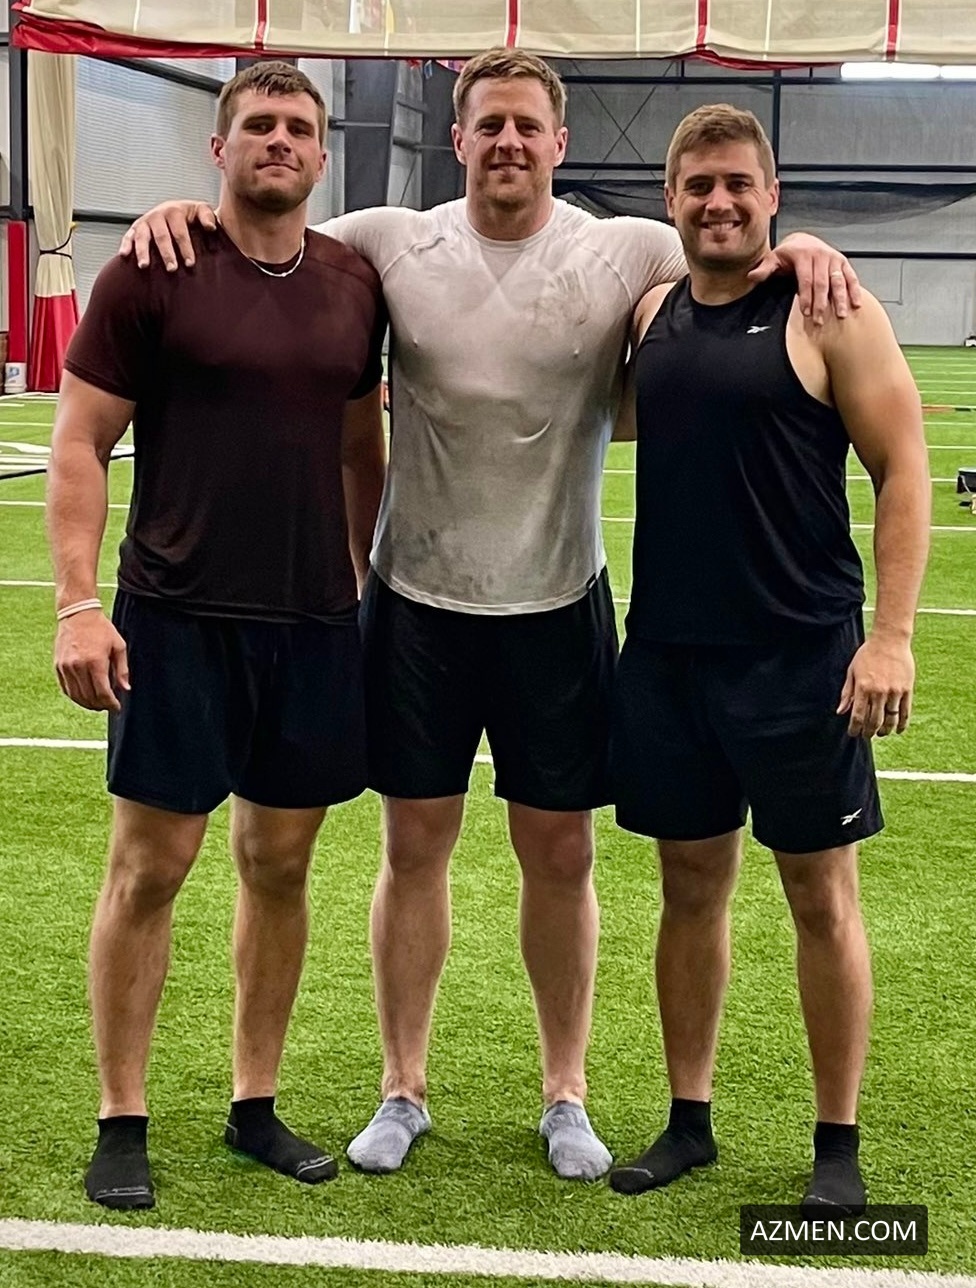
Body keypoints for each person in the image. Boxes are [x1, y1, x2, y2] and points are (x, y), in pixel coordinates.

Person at [121, 50, 860, 1182]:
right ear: (457, 139)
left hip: (558, 604)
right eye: (488, 124)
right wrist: (179, 210)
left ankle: (565, 1093)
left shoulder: (626, 249)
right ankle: (402, 1087)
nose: (507, 141)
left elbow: (736, 248)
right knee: (413, 847)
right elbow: (263, 229)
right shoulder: (388, 240)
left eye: (526, 124)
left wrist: (805, 247)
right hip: (417, 603)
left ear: (559, 143)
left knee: (559, 854)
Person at [48, 62, 386, 1210]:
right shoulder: (153, 267)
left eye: (298, 126)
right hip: (177, 620)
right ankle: (122, 1117)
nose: (278, 140)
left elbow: (362, 447)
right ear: (220, 146)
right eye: (258, 124)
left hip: (313, 626)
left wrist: (358, 579)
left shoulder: (351, 281)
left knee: (278, 864)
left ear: (322, 155)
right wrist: (78, 603)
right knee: (151, 867)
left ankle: (255, 1104)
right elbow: (80, 441)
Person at [607, 105, 930, 1210]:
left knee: (819, 896)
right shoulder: (648, 312)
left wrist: (890, 637)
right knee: (688, 889)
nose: (718, 203)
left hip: (800, 657)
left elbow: (904, 470)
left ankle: (836, 1144)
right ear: (670, 199)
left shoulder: (830, 309)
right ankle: (687, 1121)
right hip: (668, 658)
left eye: (738, 184)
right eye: (698, 185)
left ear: (772, 194)